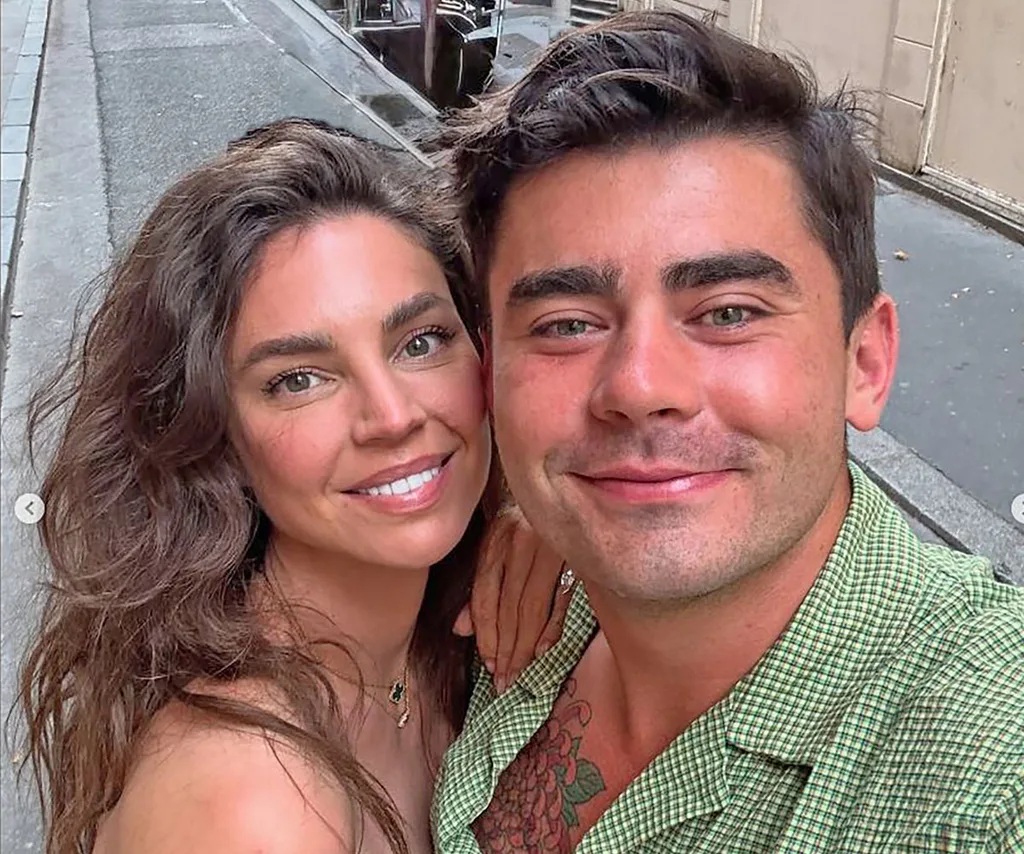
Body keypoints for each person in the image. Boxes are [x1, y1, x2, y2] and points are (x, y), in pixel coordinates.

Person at [432, 11, 1024, 853]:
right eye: (566, 325)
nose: (638, 388)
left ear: (865, 362)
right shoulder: (519, 603)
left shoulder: (991, 774)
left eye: (728, 312)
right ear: (492, 376)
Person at [16, 117, 574, 854]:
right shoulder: (255, 801)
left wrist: (543, 515)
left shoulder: (437, 641)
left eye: (421, 341)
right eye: (298, 380)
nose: (393, 415)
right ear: (215, 434)